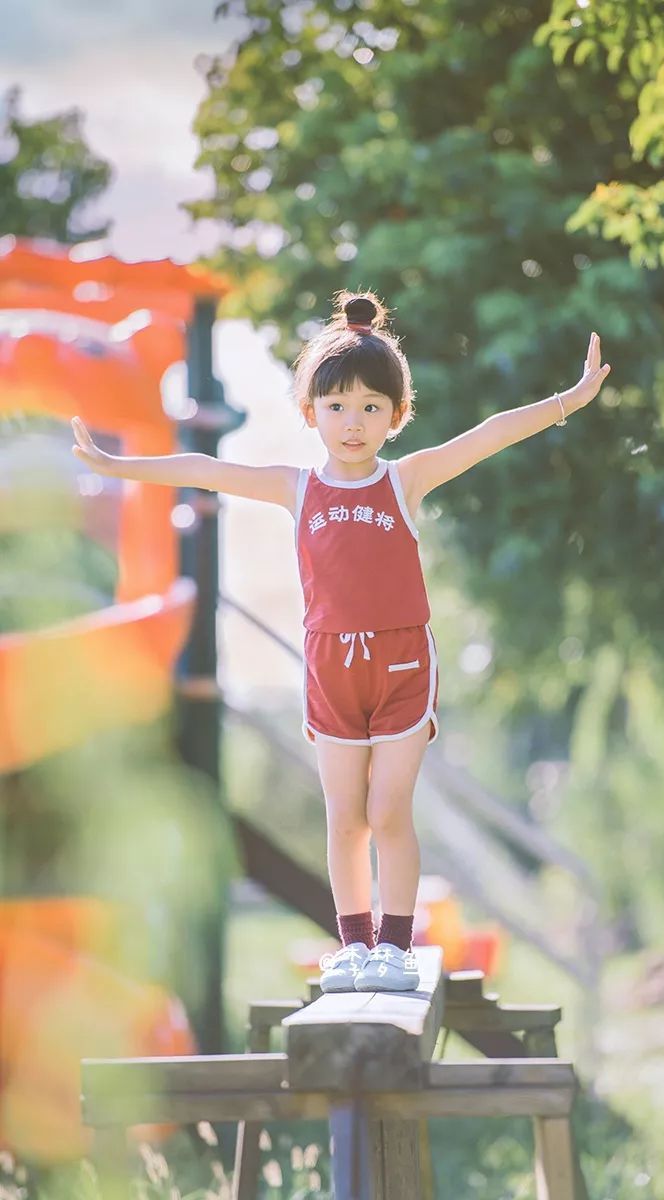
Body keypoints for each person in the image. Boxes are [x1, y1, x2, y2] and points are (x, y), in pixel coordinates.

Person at [71, 289, 611, 996]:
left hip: (401, 665)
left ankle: (394, 946)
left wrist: (570, 397)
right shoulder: (296, 488)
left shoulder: (404, 479)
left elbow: (488, 434)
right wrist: (118, 469)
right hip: (330, 668)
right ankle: (354, 946)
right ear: (310, 413)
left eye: (369, 408)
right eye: (336, 407)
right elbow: (203, 469)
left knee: (389, 810)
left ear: (395, 416)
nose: (352, 423)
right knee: (345, 817)